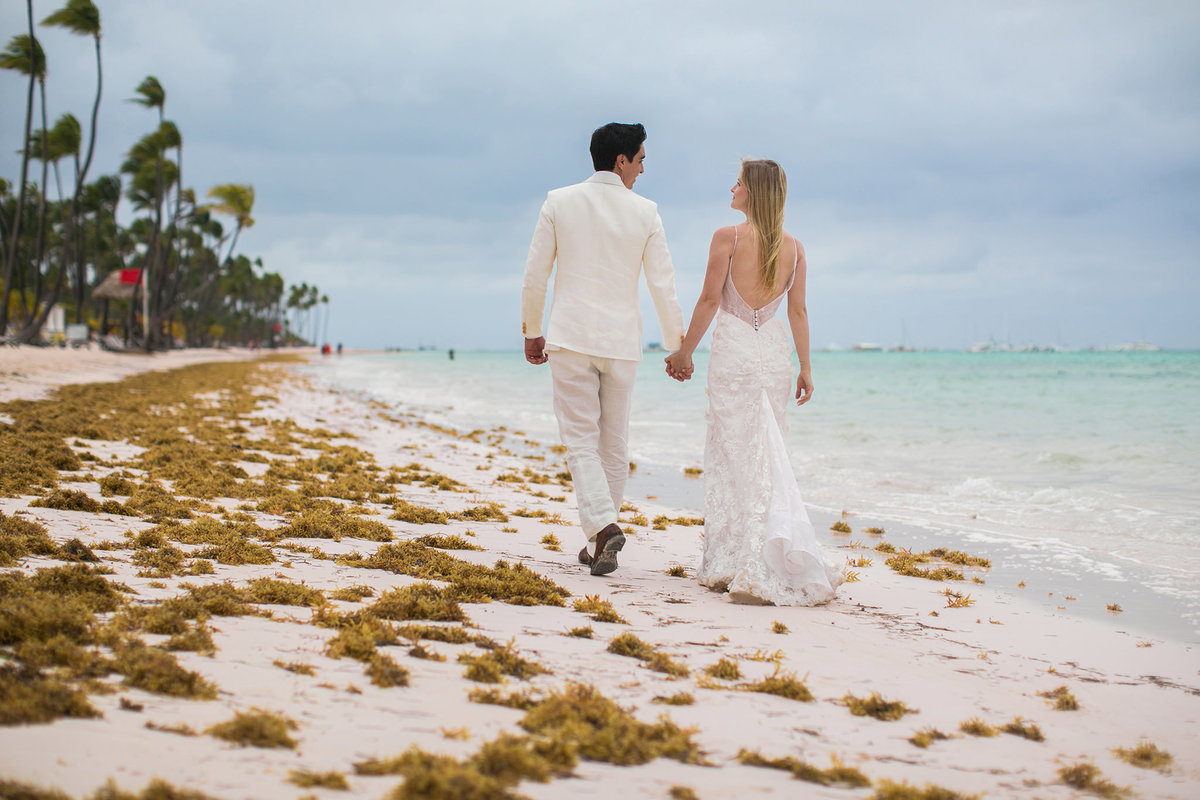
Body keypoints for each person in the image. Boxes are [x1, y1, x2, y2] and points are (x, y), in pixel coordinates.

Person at [665, 159, 842, 605]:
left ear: (754, 192)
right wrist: (806, 366)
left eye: (738, 183)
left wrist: (685, 352)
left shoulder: (727, 237)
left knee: (734, 454)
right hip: (773, 358)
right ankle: (760, 550)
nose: (732, 188)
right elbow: (798, 311)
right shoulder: (795, 248)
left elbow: (709, 300)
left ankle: (737, 558)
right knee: (767, 450)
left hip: (735, 356)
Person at [522, 122, 685, 576]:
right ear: (621, 160)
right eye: (641, 160)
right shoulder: (646, 212)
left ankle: (604, 529)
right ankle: (600, 539)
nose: (643, 170)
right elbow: (663, 284)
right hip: (621, 342)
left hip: (571, 337)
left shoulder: (559, 201)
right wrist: (677, 346)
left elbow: (536, 273)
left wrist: (532, 329)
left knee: (580, 441)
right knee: (613, 444)